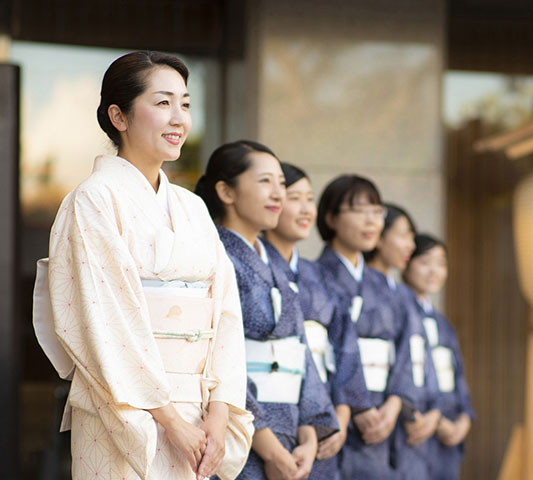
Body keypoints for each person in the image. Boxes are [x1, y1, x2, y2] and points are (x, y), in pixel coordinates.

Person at [38, 51, 253, 480]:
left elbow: (225, 311)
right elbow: (103, 322)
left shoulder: (192, 208)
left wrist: (217, 413)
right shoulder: (94, 199)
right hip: (127, 412)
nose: (179, 119)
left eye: (186, 104)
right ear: (118, 116)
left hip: (199, 413)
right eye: (162, 103)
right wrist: (168, 420)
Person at [195, 141, 338, 480]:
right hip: (240, 432)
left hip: (291, 429)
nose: (278, 194)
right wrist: (269, 448)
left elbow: (301, 351)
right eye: (265, 182)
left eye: (281, 184)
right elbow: (218, 360)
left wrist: (309, 435)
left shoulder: (277, 263)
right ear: (226, 191)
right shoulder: (214, 257)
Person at [262, 163, 373, 480]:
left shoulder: (320, 276)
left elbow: (344, 349)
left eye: (310, 199)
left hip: (324, 420)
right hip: (271, 415)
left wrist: (341, 413)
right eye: (294, 198)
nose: (306, 209)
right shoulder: (248, 268)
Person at [315, 175, 415, 480]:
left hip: (383, 416)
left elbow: (404, 350)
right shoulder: (315, 277)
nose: (372, 221)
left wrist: (395, 405)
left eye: (377, 212)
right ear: (331, 218)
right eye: (360, 211)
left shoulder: (385, 286)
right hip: (335, 411)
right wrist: (357, 407)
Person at [366, 205, 442, 478]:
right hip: (375, 415)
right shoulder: (357, 287)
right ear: (378, 235)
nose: (411, 245)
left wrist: (434, 412)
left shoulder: (404, 296)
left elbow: (419, 360)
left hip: (408, 416)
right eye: (404, 235)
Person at [402, 234, 475, 480]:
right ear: (406, 263)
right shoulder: (399, 312)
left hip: (448, 436)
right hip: (416, 428)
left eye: (441, 263)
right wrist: (435, 419)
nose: (434, 271)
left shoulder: (443, 323)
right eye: (425, 262)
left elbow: (458, 378)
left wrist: (464, 420)